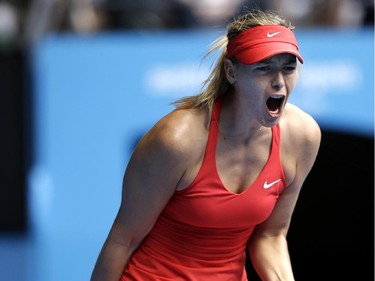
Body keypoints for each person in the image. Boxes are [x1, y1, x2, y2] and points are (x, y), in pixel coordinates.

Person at [91, 8, 321, 281]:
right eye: (263, 69)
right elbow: (123, 239)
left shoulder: (302, 136)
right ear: (231, 73)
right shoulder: (177, 139)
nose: (279, 82)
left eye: (289, 68)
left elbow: (270, 236)